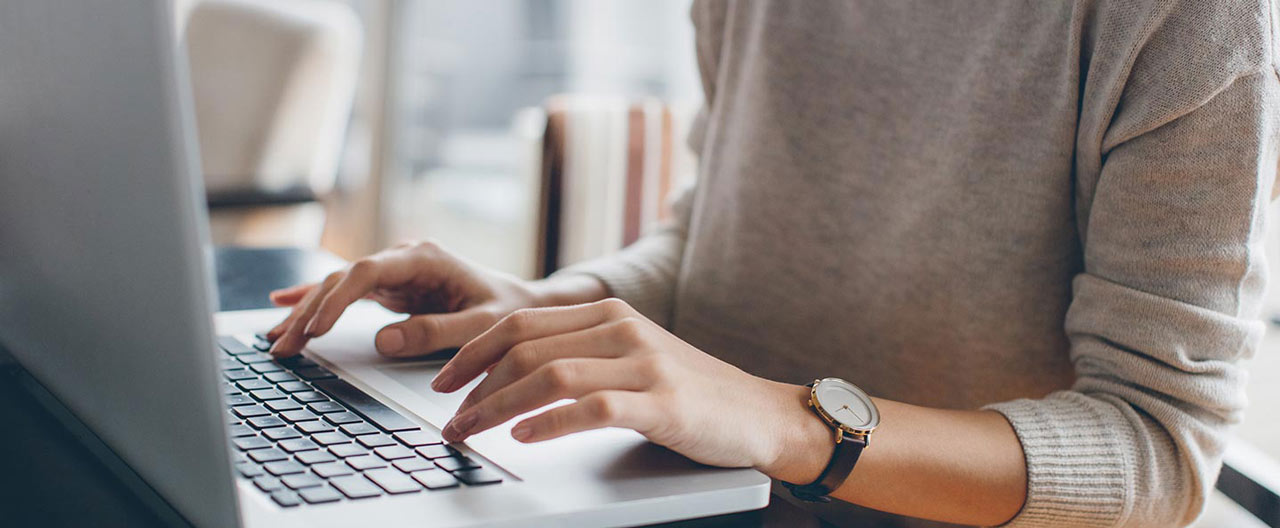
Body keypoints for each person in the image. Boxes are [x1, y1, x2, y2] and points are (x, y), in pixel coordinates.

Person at [266, 2, 1280, 526]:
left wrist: (791, 423)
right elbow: (709, 232)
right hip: (687, 501)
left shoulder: (1196, 23)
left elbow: (1159, 446)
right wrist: (548, 306)